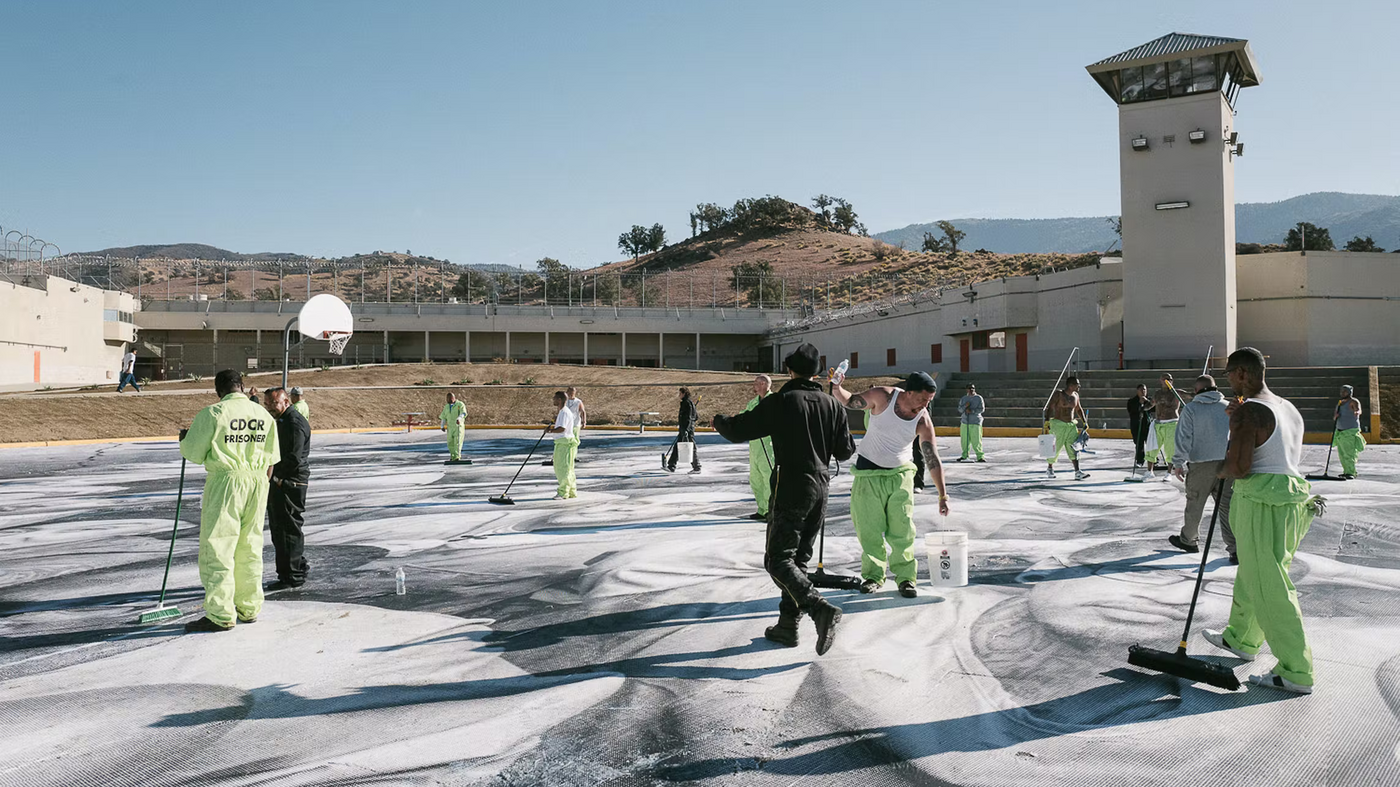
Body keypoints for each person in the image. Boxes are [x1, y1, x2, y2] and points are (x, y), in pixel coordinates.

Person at [713, 343, 854, 655]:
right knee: (798, 560)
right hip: (821, 486)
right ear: (817, 374)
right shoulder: (832, 405)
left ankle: (819, 608)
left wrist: (718, 420)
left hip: (792, 483)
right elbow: (846, 451)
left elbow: (740, 429)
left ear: (790, 371)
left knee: (777, 559)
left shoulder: (783, 400)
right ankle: (787, 627)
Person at [1203, 347, 1326, 694]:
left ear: (1243, 373)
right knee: (1255, 571)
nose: (1228, 381)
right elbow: (1273, 450)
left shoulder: (1250, 412)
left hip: (1260, 499)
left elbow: (1239, 467)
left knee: (1270, 585)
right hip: (1290, 500)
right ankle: (1241, 637)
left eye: (1229, 374)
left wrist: (1212, 469)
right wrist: (1236, 420)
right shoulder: (1286, 407)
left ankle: (1295, 670)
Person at [178, 370, 279, 632]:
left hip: (227, 482)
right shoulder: (263, 415)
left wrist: (184, 439)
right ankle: (249, 606)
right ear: (242, 387)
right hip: (258, 481)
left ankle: (220, 613)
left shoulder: (213, 414)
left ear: (218, 390)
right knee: (250, 545)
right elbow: (272, 458)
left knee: (219, 545)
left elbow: (193, 452)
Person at [833, 371, 949, 598]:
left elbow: (932, 457)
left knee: (902, 531)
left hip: (900, 477)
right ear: (909, 392)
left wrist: (942, 495)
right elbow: (850, 401)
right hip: (868, 475)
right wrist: (837, 388)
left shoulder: (923, 419)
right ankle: (874, 576)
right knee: (869, 530)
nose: (925, 405)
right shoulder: (883, 397)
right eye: (922, 399)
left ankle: (906, 578)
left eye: (929, 401)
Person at [1167, 375, 1237, 564]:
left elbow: (1183, 438)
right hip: (1227, 464)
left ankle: (1189, 540)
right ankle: (1235, 549)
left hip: (1201, 465)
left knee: (1195, 504)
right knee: (1227, 508)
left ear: (1196, 391)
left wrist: (1178, 463)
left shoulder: (1191, 409)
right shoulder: (1228, 406)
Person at [262, 387, 312, 590]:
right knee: (281, 528)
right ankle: (294, 567)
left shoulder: (293, 422)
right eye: (267, 404)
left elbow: (293, 457)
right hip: (285, 481)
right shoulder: (283, 421)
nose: (270, 407)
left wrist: (279, 478)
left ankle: (292, 575)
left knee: (287, 528)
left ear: (286, 402)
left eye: (274, 403)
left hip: (290, 482)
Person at [1043, 376, 1089, 480]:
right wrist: (1047, 420)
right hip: (1058, 424)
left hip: (1071, 425)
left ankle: (1077, 471)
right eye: (1077, 384)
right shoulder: (1058, 394)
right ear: (1071, 385)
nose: (1079, 386)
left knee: (1074, 448)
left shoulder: (1076, 395)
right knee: (1055, 447)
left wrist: (1084, 421)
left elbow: (1078, 409)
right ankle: (1050, 468)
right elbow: (1050, 407)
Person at [743, 375, 774, 521]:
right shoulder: (752, 403)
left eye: (756, 383)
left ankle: (770, 510)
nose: (754, 386)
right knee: (755, 480)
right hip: (754, 447)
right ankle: (762, 509)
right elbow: (743, 418)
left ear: (763, 384)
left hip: (767, 448)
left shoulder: (774, 401)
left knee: (768, 479)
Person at [1146, 373, 1181, 478]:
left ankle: (1169, 473)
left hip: (1172, 423)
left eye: (1169, 379)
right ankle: (1149, 471)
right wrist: (1142, 408)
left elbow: (1190, 395)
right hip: (1158, 423)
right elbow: (1150, 404)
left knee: (1170, 449)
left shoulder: (1176, 393)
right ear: (1160, 380)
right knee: (1151, 447)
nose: (1167, 381)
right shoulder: (1157, 394)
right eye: (1164, 379)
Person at [547, 390, 580, 499]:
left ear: (560, 400)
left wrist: (550, 431)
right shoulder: (562, 412)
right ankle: (571, 491)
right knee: (566, 468)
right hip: (561, 443)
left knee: (563, 469)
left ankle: (563, 492)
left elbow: (562, 429)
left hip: (565, 444)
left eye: (555, 398)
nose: (553, 400)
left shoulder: (565, 412)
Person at [666, 387, 701, 474]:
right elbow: (695, 417)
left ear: (684, 393)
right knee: (677, 447)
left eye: (680, 393)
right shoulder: (689, 403)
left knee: (690, 447)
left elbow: (689, 418)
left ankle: (697, 467)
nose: (679, 395)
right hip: (685, 429)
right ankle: (671, 466)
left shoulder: (687, 403)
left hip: (686, 430)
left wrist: (686, 429)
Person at [1333, 384, 1364, 480]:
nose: (1342, 393)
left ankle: (1351, 472)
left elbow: (1358, 410)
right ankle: (1346, 471)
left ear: (1350, 392)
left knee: (1349, 453)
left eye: (1345, 391)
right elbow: (1334, 417)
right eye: (1341, 391)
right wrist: (1336, 416)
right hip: (1340, 432)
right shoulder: (1339, 403)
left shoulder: (1353, 401)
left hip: (1349, 431)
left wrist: (1356, 412)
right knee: (1342, 454)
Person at [957, 383, 985, 462]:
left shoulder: (979, 398)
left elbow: (982, 409)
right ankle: (965, 455)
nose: (971, 390)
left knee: (976, 440)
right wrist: (965, 406)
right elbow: (959, 409)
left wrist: (972, 411)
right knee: (964, 440)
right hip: (965, 421)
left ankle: (980, 456)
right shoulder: (964, 398)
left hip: (975, 421)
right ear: (967, 390)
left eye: (973, 388)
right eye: (970, 388)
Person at [1127, 384, 1152, 468]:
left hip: (1147, 424)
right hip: (1137, 425)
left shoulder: (1150, 400)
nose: (1143, 392)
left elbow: (1154, 408)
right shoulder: (1131, 401)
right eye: (1141, 390)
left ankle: (1152, 460)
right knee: (1139, 443)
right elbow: (1131, 411)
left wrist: (1146, 402)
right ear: (1137, 391)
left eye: (1144, 390)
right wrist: (1139, 403)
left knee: (1150, 443)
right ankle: (1140, 460)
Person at [439, 392, 468, 463]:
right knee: (450, 442)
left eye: (449, 398)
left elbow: (463, 413)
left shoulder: (460, 404)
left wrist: (459, 419)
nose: (448, 400)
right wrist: (442, 426)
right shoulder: (446, 407)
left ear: (453, 398)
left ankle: (457, 457)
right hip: (450, 427)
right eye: (447, 399)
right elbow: (443, 416)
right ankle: (452, 456)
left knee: (457, 442)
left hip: (458, 427)